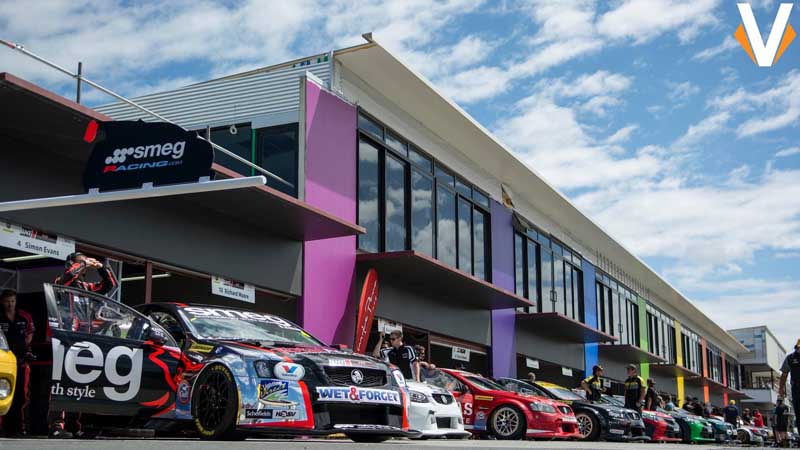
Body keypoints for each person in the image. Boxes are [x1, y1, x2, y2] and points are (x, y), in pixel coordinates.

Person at [49, 252, 117, 439]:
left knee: (82, 384)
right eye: (80, 260)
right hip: (66, 340)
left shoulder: (87, 288)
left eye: (85, 261)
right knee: (63, 384)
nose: (85, 263)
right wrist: (83, 264)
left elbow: (111, 285)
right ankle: (57, 426)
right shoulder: (61, 282)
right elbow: (68, 277)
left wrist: (102, 267)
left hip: (86, 342)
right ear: (71, 263)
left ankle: (74, 425)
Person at [0, 290, 34, 437]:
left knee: (22, 395)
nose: (10, 304)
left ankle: (19, 428)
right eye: (7, 301)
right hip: (4, 360)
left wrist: (22, 348)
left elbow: (30, 335)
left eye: (12, 301)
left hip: (21, 361)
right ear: (2, 301)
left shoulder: (24, 316)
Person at [778, 338, 800, 433]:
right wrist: (781, 388)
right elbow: (784, 374)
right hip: (797, 389)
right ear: (797, 347)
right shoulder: (790, 358)